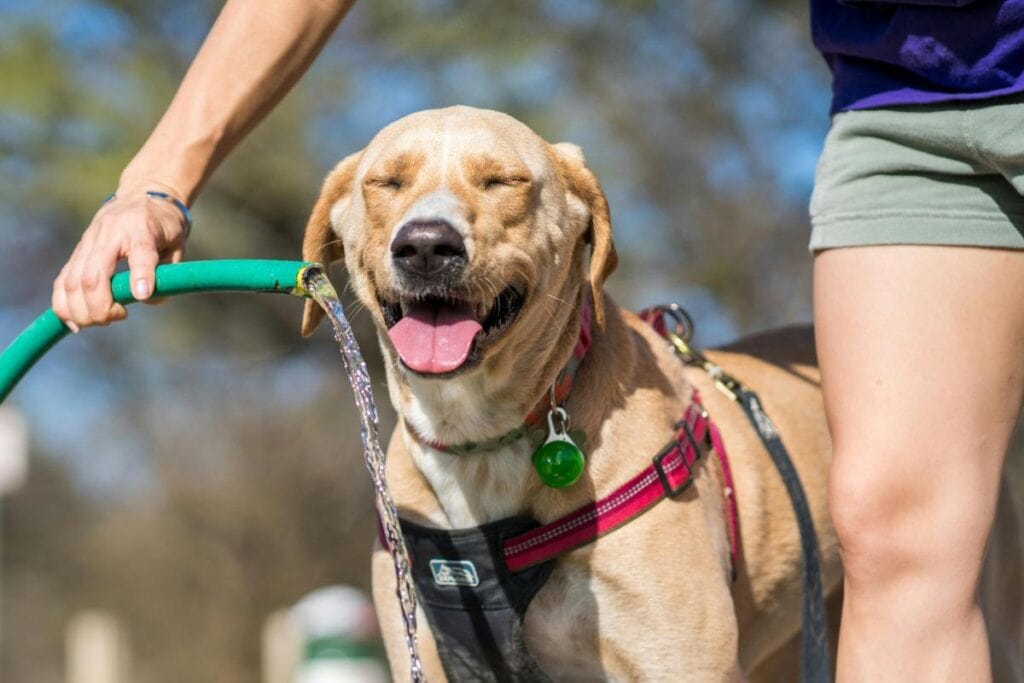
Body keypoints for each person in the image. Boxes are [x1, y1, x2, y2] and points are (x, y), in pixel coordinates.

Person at [52, 0, 1023, 680]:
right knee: (906, 553)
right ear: (334, 242)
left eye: (497, 185)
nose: (429, 228)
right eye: (390, 191)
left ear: (583, 236)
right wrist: (154, 179)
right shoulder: (396, 504)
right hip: (911, 100)